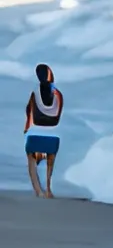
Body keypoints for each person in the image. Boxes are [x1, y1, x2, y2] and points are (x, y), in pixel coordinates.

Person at [23, 63, 62, 196]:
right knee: (50, 161)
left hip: (36, 134)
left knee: (31, 159)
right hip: (53, 135)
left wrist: (27, 128)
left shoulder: (35, 91)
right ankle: (49, 189)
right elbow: (58, 115)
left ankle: (39, 190)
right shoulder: (58, 94)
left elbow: (28, 110)